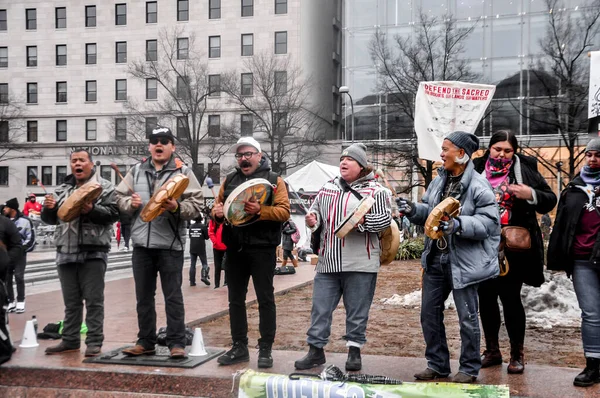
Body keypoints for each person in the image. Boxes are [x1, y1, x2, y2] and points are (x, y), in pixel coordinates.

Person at [398, 131, 501, 383]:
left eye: (446, 149)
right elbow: (429, 212)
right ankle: (437, 364)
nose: (441, 154)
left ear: (462, 154)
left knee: (467, 317)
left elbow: (488, 223)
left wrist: (457, 225)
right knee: (429, 314)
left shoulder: (479, 185)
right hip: (435, 258)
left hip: (463, 263)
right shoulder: (437, 181)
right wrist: (413, 210)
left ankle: (468, 368)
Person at [294, 143, 392, 372]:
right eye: (342, 159)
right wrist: (313, 220)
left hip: (361, 263)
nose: (343, 163)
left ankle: (354, 351)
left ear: (361, 165)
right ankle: (315, 351)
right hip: (328, 262)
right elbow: (316, 212)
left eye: (350, 160)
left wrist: (361, 224)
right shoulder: (328, 187)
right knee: (320, 308)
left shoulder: (376, 191)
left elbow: (384, 221)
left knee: (357, 310)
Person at [473, 130, 557, 374]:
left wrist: (529, 194)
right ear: (489, 148)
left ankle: (516, 355)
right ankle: (491, 351)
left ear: (515, 151)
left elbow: (550, 199)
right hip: (481, 243)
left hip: (513, 247)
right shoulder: (476, 168)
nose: (502, 154)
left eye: (508, 150)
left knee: (510, 299)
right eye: (497, 149)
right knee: (486, 298)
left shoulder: (526, 168)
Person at [115, 127, 203, 359]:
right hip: (142, 245)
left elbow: (197, 205)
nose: (159, 145)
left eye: (164, 141)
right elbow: (118, 199)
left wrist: (178, 208)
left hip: (170, 245)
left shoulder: (183, 172)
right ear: (149, 146)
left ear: (172, 147)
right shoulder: (136, 170)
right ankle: (145, 341)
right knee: (143, 297)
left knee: (173, 296)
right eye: (155, 141)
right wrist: (129, 204)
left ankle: (176, 342)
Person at [212, 136, 290, 368]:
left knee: (265, 298)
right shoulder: (229, 180)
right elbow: (219, 208)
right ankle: (239, 347)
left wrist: (261, 211)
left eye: (248, 154)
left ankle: (265, 348)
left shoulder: (275, 180)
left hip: (262, 249)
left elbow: (284, 212)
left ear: (259, 155)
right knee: (235, 300)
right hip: (235, 247)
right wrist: (215, 213)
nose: (244, 159)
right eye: (240, 155)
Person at [41, 149, 119, 357]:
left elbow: (113, 214)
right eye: (74, 160)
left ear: (91, 164)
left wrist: (92, 210)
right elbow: (50, 219)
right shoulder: (62, 188)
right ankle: (70, 340)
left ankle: (94, 341)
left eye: (82, 160)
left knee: (94, 300)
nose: (78, 164)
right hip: (65, 251)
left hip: (93, 251)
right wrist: (48, 208)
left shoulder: (105, 187)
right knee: (71, 302)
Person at [547, 138, 600, 387]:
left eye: (598, 155)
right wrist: (557, 257)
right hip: (582, 260)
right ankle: (593, 365)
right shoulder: (575, 188)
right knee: (590, 314)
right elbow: (562, 225)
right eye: (589, 154)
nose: (592, 159)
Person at [0, 212, 24, 365]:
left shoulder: (5, 223)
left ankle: (5, 343)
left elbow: (17, 245)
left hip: (0, 272)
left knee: (1, 312)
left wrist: (6, 262)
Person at [2, 198, 33, 314]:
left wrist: (22, 249)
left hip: (19, 254)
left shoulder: (25, 221)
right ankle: (10, 301)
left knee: (19, 277)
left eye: (6, 207)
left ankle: (21, 301)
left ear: (12, 209)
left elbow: (31, 238)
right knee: (7, 278)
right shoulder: (4, 221)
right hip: (6, 254)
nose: (4, 209)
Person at [189, 213, 209, 286]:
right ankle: (204, 276)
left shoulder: (191, 227)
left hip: (192, 247)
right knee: (204, 263)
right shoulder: (203, 226)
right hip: (201, 247)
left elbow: (190, 236)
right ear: (201, 219)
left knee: (192, 265)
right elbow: (207, 237)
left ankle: (192, 281)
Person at [208, 215, 227, 289]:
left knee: (227, 266)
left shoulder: (227, 218)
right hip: (217, 247)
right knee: (217, 267)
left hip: (226, 246)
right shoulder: (214, 220)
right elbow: (210, 232)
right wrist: (215, 242)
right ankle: (217, 284)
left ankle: (226, 282)